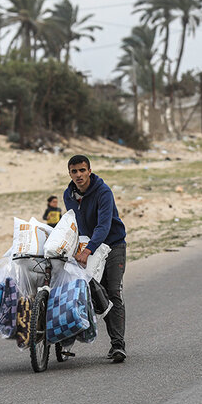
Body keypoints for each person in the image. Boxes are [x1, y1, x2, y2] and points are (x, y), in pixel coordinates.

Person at [63, 155, 127, 363]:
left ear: (89, 171)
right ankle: (66, 340)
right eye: (74, 171)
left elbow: (104, 226)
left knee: (113, 291)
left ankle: (118, 345)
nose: (79, 175)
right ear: (70, 173)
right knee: (86, 292)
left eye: (82, 170)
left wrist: (88, 250)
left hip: (113, 245)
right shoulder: (69, 195)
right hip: (88, 248)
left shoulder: (103, 192)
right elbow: (73, 224)